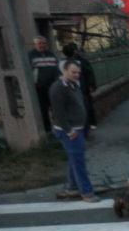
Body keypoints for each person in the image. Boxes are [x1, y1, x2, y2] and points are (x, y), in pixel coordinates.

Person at [48, 60, 100, 203]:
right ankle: (87, 192)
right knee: (78, 161)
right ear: (64, 71)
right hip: (69, 131)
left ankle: (73, 187)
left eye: (78, 72)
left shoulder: (73, 84)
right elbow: (58, 113)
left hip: (78, 128)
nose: (77, 75)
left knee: (75, 158)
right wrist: (69, 131)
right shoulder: (58, 88)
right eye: (73, 72)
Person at [62, 43, 97, 134]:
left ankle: (88, 125)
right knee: (82, 108)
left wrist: (91, 84)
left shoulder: (80, 61)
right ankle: (83, 128)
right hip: (74, 88)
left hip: (81, 87)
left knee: (86, 107)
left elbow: (89, 72)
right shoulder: (75, 62)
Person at [28, 35, 59, 132]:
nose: (42, 45)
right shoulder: (30, 55)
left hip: (53, 86)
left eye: (44, 43)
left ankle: (59, 129)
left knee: (56, 108)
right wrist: (33, 82)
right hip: (40, 87)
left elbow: (57, 69)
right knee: (43, 110)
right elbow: (28, 71)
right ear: (35, 45)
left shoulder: (51, 54)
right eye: (39, 43)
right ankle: (47, 131)